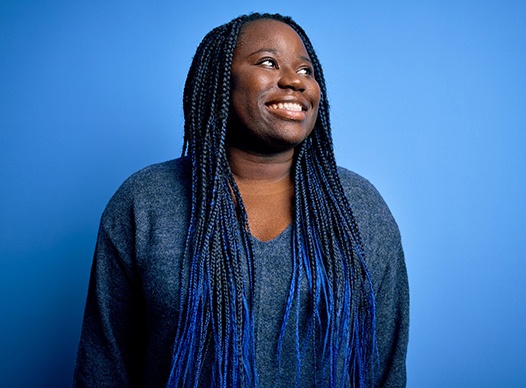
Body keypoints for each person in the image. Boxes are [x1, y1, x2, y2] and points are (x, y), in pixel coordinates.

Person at [74, 12, 409, 387]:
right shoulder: (146, 200)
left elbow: (386, 369)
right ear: (220, 82)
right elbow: (104, 365)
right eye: (268, 62)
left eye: (307, 70)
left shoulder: (358, 208)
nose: (295, 81)